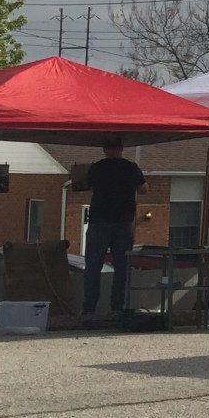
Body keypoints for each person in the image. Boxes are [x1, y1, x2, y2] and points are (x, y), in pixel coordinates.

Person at [75, 136, 145, 325]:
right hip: (123, 222)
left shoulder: (97, 167)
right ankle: (117, 307)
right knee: (122, 267)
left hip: (99, 221)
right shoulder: (130, 167)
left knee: (93, 266)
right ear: (122, 149)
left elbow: (84, 184)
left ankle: (89, 309)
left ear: (104, 149)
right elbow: (144, 189)